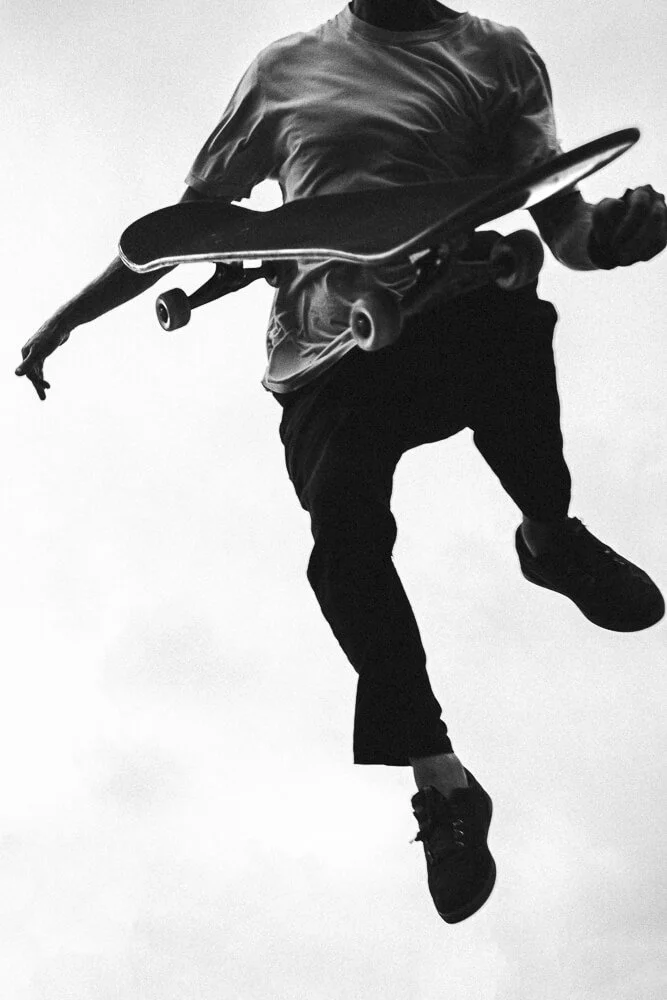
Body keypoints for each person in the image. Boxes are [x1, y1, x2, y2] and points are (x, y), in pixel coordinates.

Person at [16, 1, 666, 924]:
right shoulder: (281, 72)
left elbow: (563, 225)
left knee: (512, 331)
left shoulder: (498, 58)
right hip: (324, 349)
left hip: (456, 303)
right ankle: (442, 782)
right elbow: (187, 231)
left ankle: (550, 537)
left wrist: (613, 237)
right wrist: (67, 320)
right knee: (343, 545)